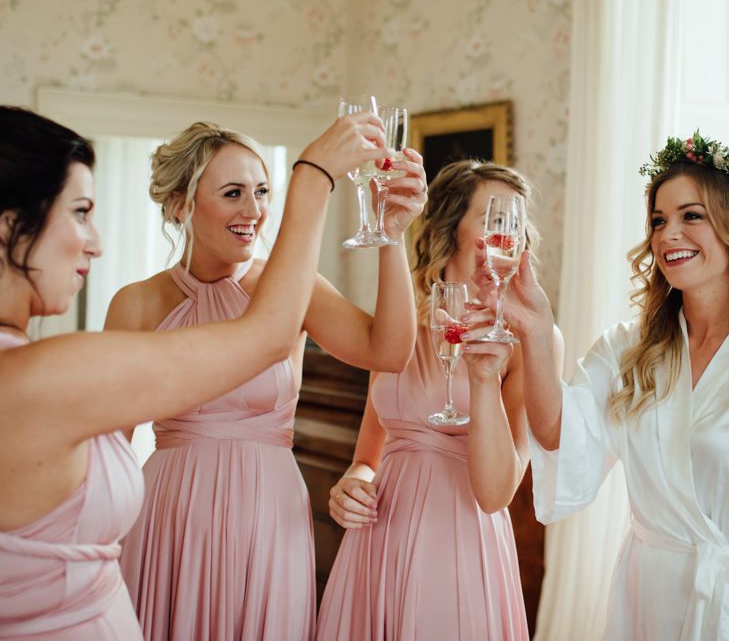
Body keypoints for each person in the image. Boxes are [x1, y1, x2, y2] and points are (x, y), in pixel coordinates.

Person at [0, 105, 388, 640]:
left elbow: (363, 346)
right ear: (10, 228)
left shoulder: (42, 368)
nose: (97, 243)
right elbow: (265, 337)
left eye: (263, 190)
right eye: (80, 212)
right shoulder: (46, 371)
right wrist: (314, 176)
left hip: (263, 515)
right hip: (159, 539)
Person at [108, 121, 428, 640]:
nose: (254, 211)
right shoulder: (137, 303)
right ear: (179, 205)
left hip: (269, 515)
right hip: (170, 518)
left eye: (261, 192)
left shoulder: (289, 289)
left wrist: (392, 236)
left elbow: (388, 352)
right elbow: (111, 452)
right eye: (233, 193)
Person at [482, 131, 729, 639]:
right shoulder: (630, 347)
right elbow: (559, 434)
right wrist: (533, 328)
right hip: (648, 594)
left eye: (691, 215)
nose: (668, 235)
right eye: (659, 221)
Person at [316, 160, 561, 640]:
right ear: (451, 228)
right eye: (494, 220)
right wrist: (352, 485)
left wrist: (484, 377)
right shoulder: (400, 325)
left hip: (458, 547)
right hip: (377, 543)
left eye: (515, 223)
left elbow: (496, 494)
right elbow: (367, 456)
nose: (508, 236)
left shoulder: (534, 339)